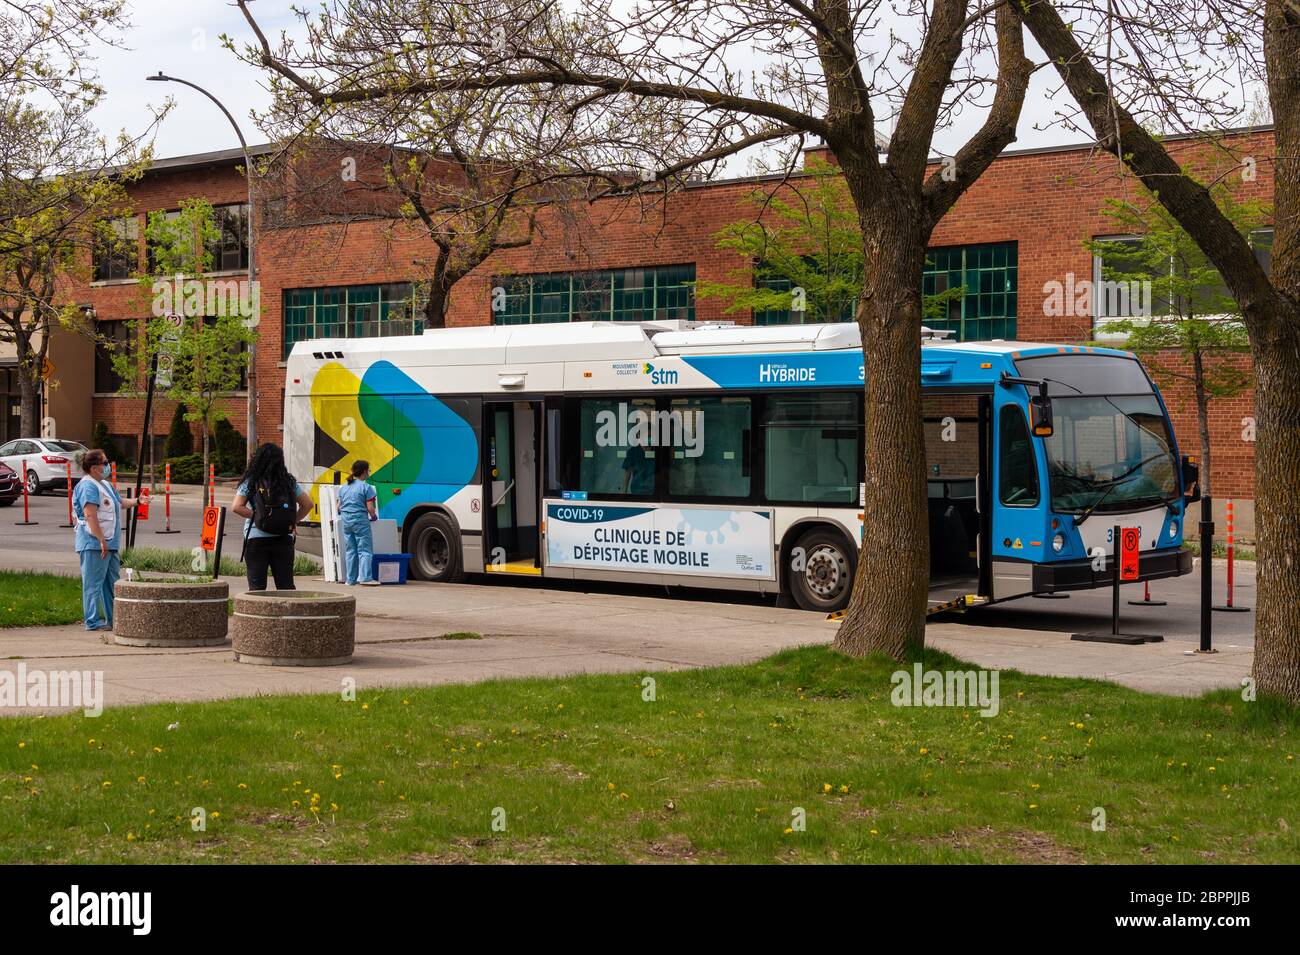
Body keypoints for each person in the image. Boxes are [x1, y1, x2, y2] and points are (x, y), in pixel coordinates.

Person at [73, 449, 143, 631]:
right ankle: (92, 621)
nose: (108, 466)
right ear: (95, 467)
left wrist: (138, 501)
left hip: (109, 543)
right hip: (94, 543)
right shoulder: (88, 486)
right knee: (93, 583)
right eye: (105, 463)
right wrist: (101, 540)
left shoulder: (104, 484)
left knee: (111, 583)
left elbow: (119, 502)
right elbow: (90, 515)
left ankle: (114, 619)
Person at [232, 443, 314, 591]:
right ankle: (288, 614)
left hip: (255, 538)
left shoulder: (251, 481)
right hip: (283, 537)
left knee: (256, 588)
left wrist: (259, 516)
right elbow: (308, 504)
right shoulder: (288, 482)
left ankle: (257, 613)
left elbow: (236, 507)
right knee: (286, 586)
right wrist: (292, 520)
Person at [337, 459, 381, 586]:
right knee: (365, 550)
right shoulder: (366, 487)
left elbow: (339, 507)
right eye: (368, 470)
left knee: (350, 550)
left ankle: (350, 580)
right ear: (364, 472)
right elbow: (370, 508)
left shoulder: (343, 487)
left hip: (346, 521)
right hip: (360, 520)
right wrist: (373, 517)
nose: (369, 473)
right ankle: (366, 578)